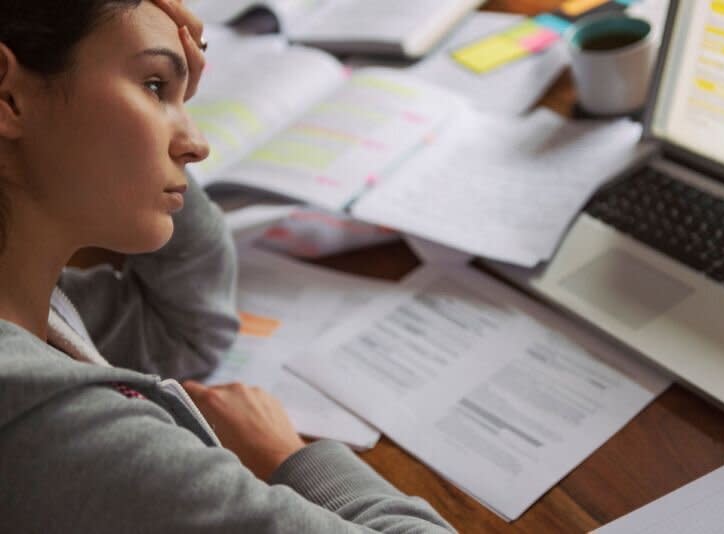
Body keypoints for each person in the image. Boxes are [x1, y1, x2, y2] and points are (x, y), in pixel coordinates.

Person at [0, 1, 454, 532]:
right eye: (153, 85)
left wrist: (150, 159)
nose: (196, 144)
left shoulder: (29, 301)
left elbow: (182, 332)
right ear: (8, 96)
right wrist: (294, 459)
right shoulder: (60, 427)